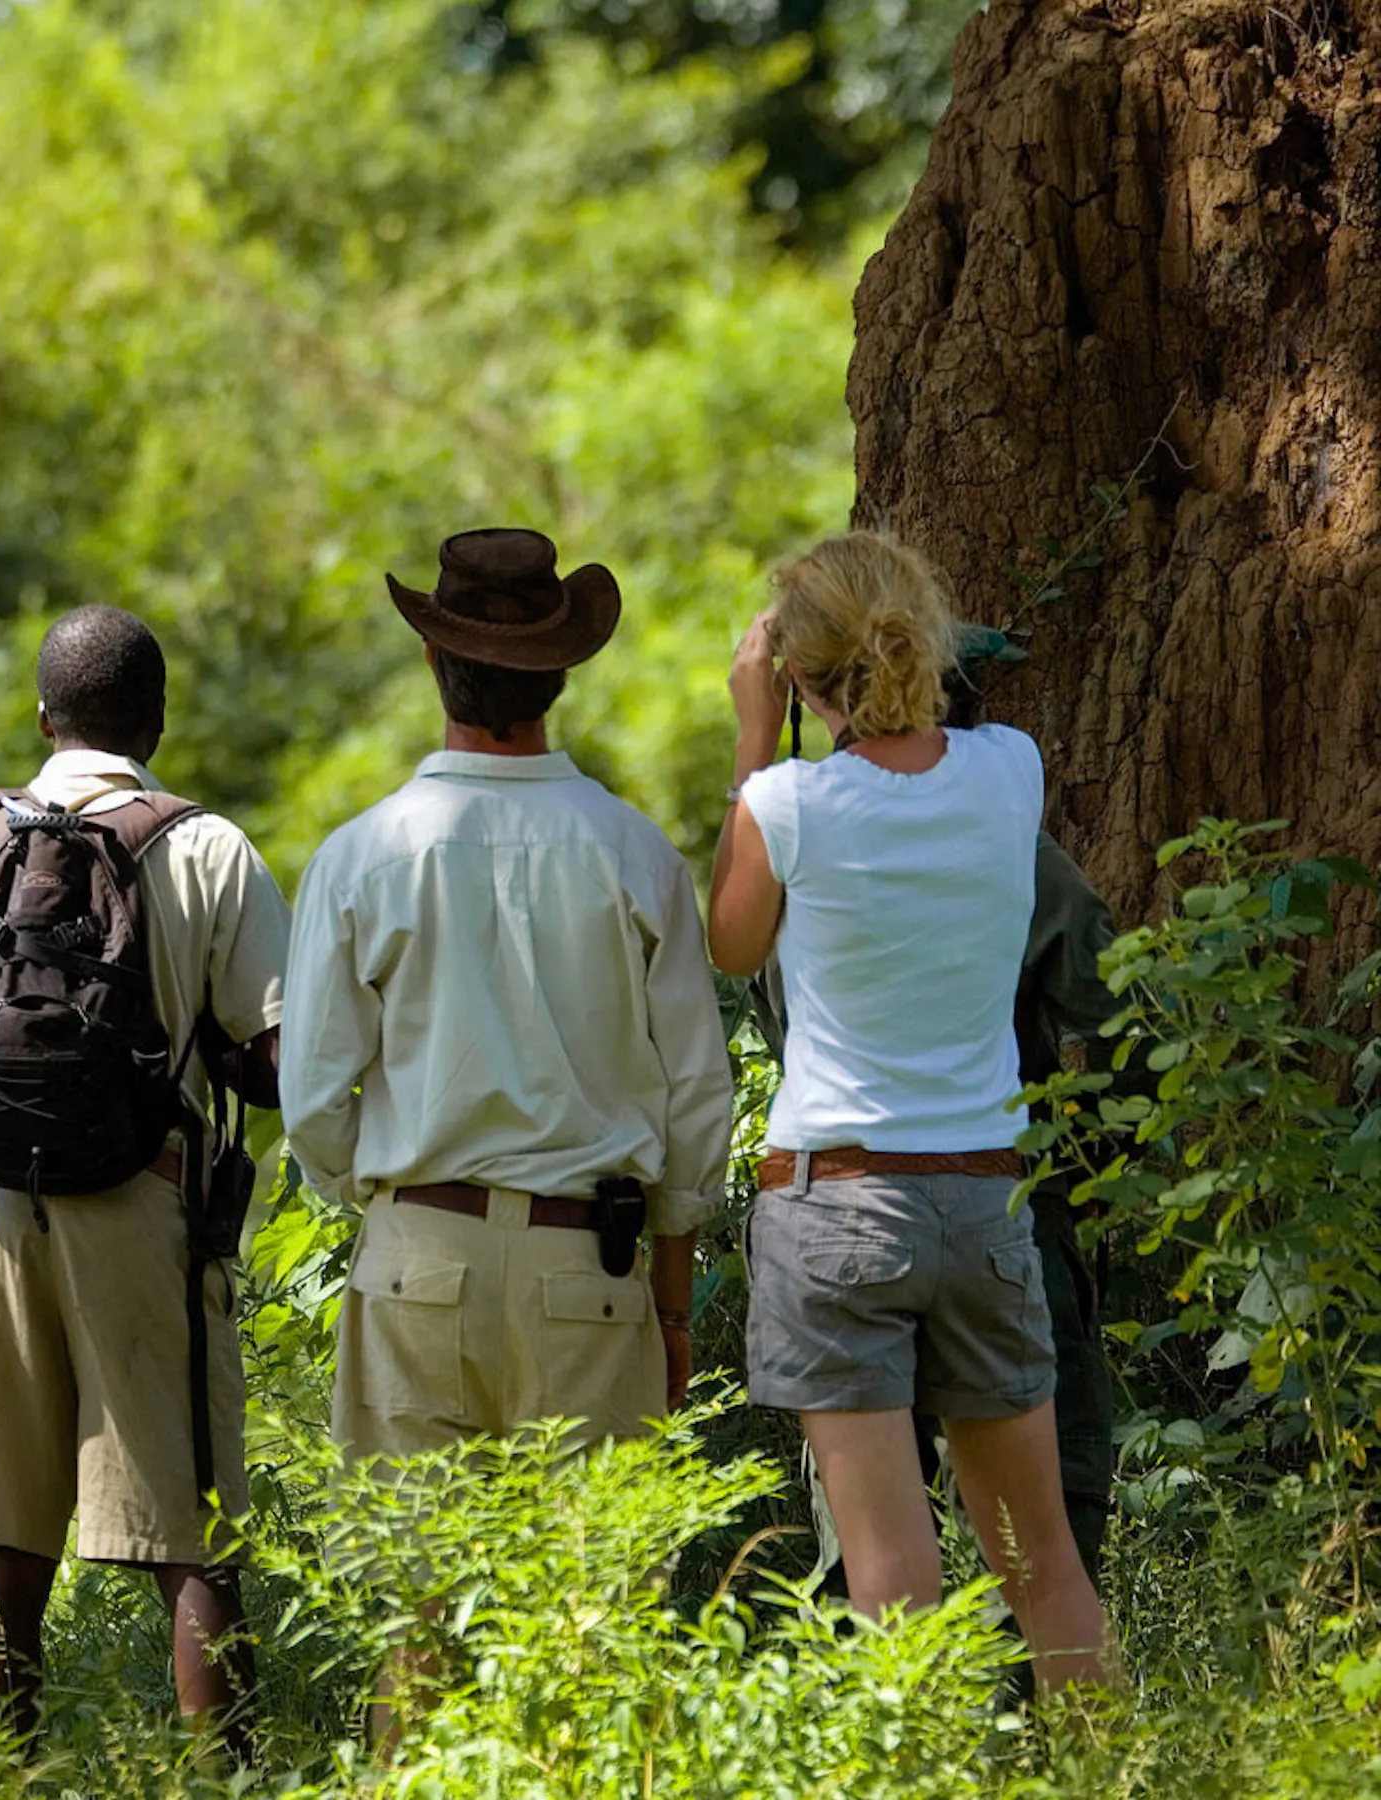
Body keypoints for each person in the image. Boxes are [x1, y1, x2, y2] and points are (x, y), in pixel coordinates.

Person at [0, 603, 291, 1759]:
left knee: (7, 1544)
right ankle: (230, 1780)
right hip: (146, 1206)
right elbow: (273, 1063)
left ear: (43, 717)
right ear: (155, 719)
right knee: (192, 1529)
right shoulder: (206, 845)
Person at [709, 530, 1112, 1693]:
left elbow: (735, 949)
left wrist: (750, 737)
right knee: (1042, 1567)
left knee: (892, 1574)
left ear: (797, 672)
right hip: (986, 1199)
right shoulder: (1011, 769)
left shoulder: (784, 803)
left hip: (837, 1204)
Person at [281, 527, 733, 1531]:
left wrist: (390, 1199)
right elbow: (699, 1092)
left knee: (418, 1619)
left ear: (435, 660)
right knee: (594, 1626)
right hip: (591, 1269)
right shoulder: (634, 852)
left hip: (415, 1257)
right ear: (559, 675)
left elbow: (312, 1100)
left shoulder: (361, 857)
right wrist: (668, 1295)